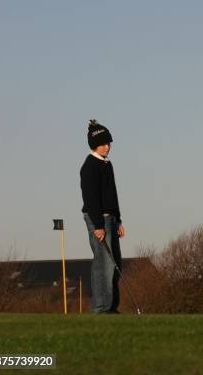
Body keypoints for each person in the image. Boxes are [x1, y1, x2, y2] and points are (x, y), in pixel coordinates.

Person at [80, 120, 125, 314]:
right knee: (103, 264)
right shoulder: (89, 166)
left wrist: (118, 219)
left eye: (109, 143)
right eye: (103, 144)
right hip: (97, 219)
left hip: (111, 219)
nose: (107, 147)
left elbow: (111, 194)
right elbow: (90, 198)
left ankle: (112, 306)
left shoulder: (107, 164)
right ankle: (101, 308)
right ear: (94, 145)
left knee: (116, 265)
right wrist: (98, 225)